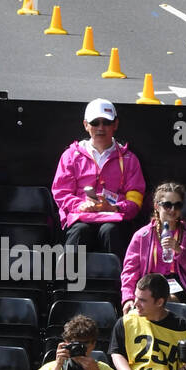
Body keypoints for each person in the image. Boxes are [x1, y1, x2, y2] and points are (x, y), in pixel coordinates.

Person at [51, 99, 145, 262]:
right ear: (86, 125)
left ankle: (120, 285)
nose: (101, 128)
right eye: (95, 123)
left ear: (115, 124)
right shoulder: (70, 156)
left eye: (106, 122)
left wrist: (114, 208)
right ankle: (66, 284)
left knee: (110, 231)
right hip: (80, 218)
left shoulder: (129, 159)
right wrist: (80, 205)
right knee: (80, 231)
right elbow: (61, 193)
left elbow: (135, 201)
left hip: (115, 220)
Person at [109, 273, 186, 370]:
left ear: (159, 302)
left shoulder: (182, 327)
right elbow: (116, 353)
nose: (135, 303)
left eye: (142, 300)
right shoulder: (125, 322)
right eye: (136, 297)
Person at [121, 182, 186, 315]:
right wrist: (128, 298)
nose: (172, 210)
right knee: (147, 303)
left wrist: (180, 252)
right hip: (149, 285)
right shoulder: (142, 235)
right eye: (167, 205)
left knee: (164, 302)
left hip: (178, 286)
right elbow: (129, 271)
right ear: (156, 206)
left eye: (177, 205)